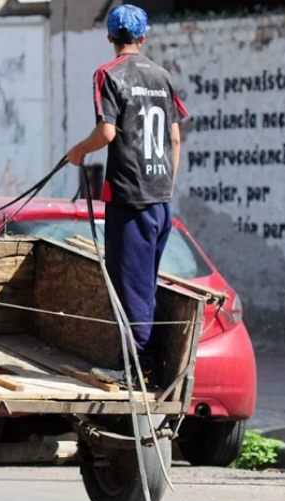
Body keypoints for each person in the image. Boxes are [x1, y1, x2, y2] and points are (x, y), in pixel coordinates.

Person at [65, 4, 188, 390]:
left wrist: (79, 152)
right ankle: (140, 363)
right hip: (160, 199)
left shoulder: (108, 74)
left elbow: (107, 133)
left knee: (130, 287)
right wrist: (166, 187)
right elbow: (174, 137)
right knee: (144, 285)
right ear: (144, 36)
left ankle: (136, 370)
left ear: (109, 38)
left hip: (130, 199)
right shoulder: (162, 76)